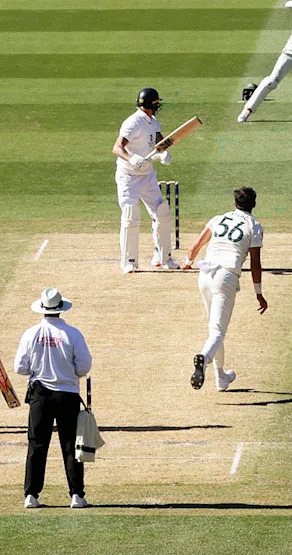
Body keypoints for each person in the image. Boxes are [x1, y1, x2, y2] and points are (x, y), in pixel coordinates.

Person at [181, 187, 268, 391]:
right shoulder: (254, 226)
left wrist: (187, 261)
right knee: (217, 332)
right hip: (225, 277)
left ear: (234, 203)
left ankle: (221, 378)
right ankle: (204, 356)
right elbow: (255, 263)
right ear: (253, 205)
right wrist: (259, 293)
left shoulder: (219, 218)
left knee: (215, 329)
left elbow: (195, 246)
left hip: (204, 274)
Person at [14, 287, 93, 509]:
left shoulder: (31, 334)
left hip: (40, 395)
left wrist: (37, 370)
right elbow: (84, 366)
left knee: (37, 445)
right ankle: (77, 495)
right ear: (60, 309)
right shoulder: (73, 334)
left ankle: (31, 495)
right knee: (70, 445)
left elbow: (20, 367)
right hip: (67, 394)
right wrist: (70, 373)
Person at [112, 87, 179, 273]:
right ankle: (129, 262)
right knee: (131, 216)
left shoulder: (153, 121)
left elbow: (160, 142)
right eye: (157, 104)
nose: (158, 107)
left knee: (162, 212)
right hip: (129, 177)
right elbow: (117, 148)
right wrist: (131, 158)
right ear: (151, 104)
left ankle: (163, 257)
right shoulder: (132, 122)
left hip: (148, 175)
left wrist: (164, 153)